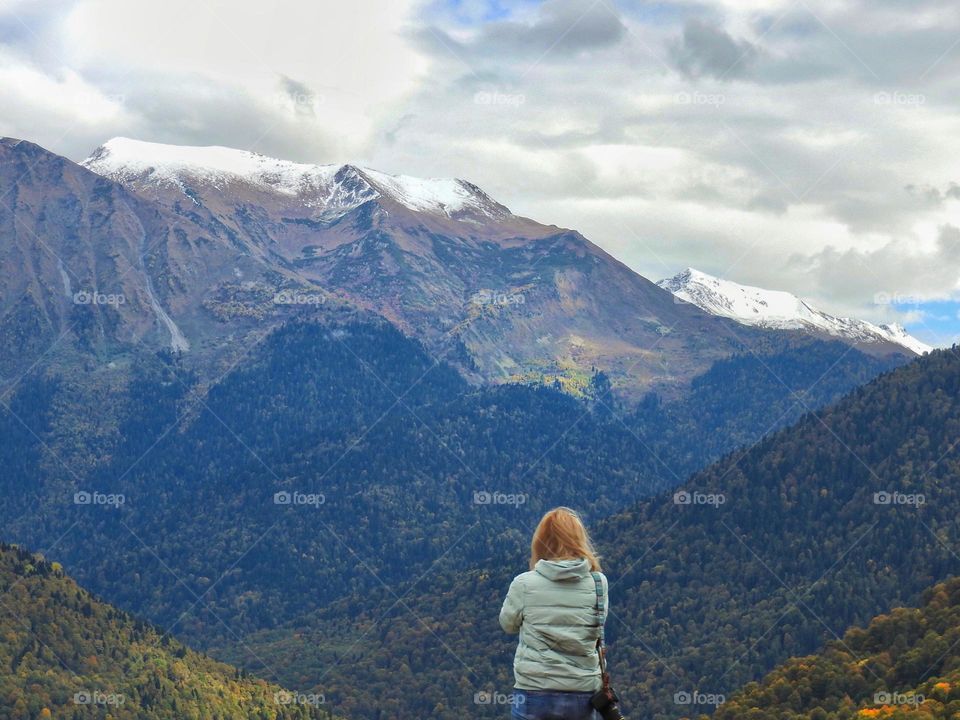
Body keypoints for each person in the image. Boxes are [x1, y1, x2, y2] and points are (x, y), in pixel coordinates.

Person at [499, 507, 608, 720]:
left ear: (541, 541)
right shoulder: (598, 583)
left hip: (535, 689)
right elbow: (596, 625)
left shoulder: (524, 583)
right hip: (583, 691)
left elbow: (508, 624)